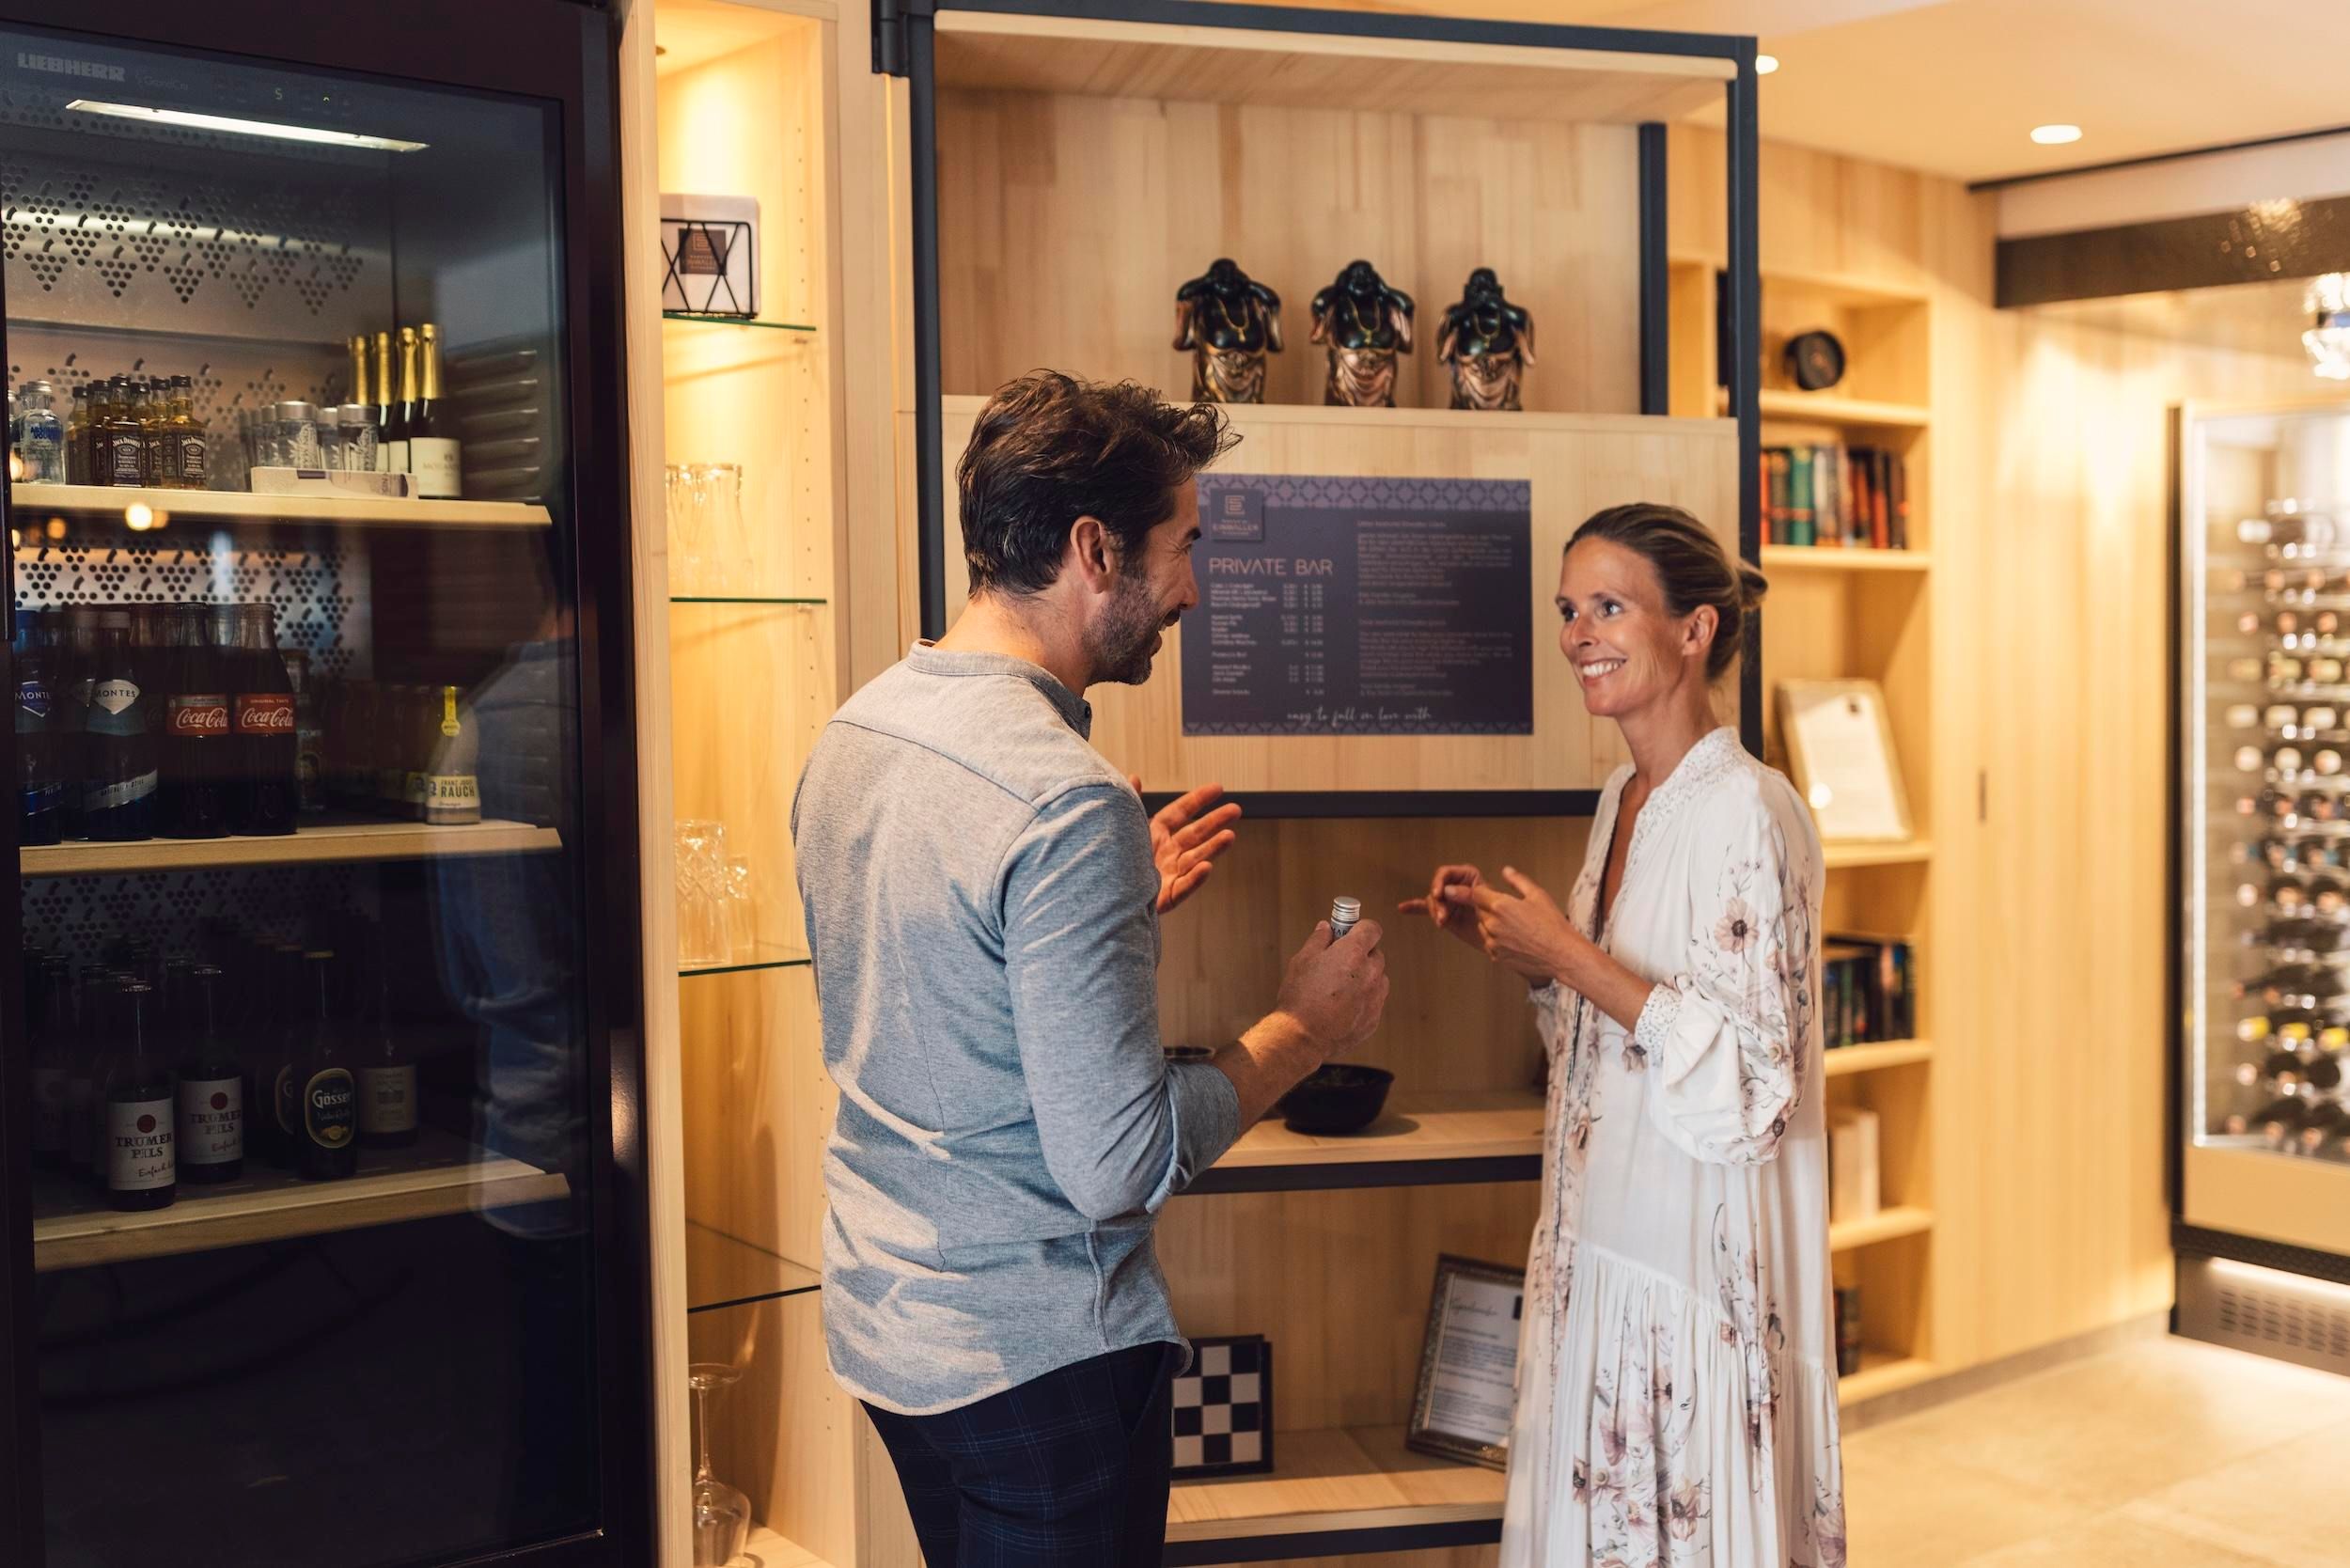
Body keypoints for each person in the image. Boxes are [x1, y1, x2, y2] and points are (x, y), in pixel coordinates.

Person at [791, 370, 1392, 1566]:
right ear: (1092, 550)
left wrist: (1109, 906)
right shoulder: (1061, 802)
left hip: (892, 1329)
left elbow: (932, 988)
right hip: (1037, 1368)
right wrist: (1301, 1030)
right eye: (1182, 548)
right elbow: (1115, 1166)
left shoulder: (859, 728)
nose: (1192, 590)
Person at [1403, 502, 1845, 1567]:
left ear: (1693, 630)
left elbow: (1752, 1088)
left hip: (1689, 1260)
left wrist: (1570, 955)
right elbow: (1613, 1039)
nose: (1576, 636)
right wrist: (1520, 950)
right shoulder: (1621, 797)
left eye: (1608, 606)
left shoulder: (1749, 808)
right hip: (1595, 1241)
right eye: (1568, 610)